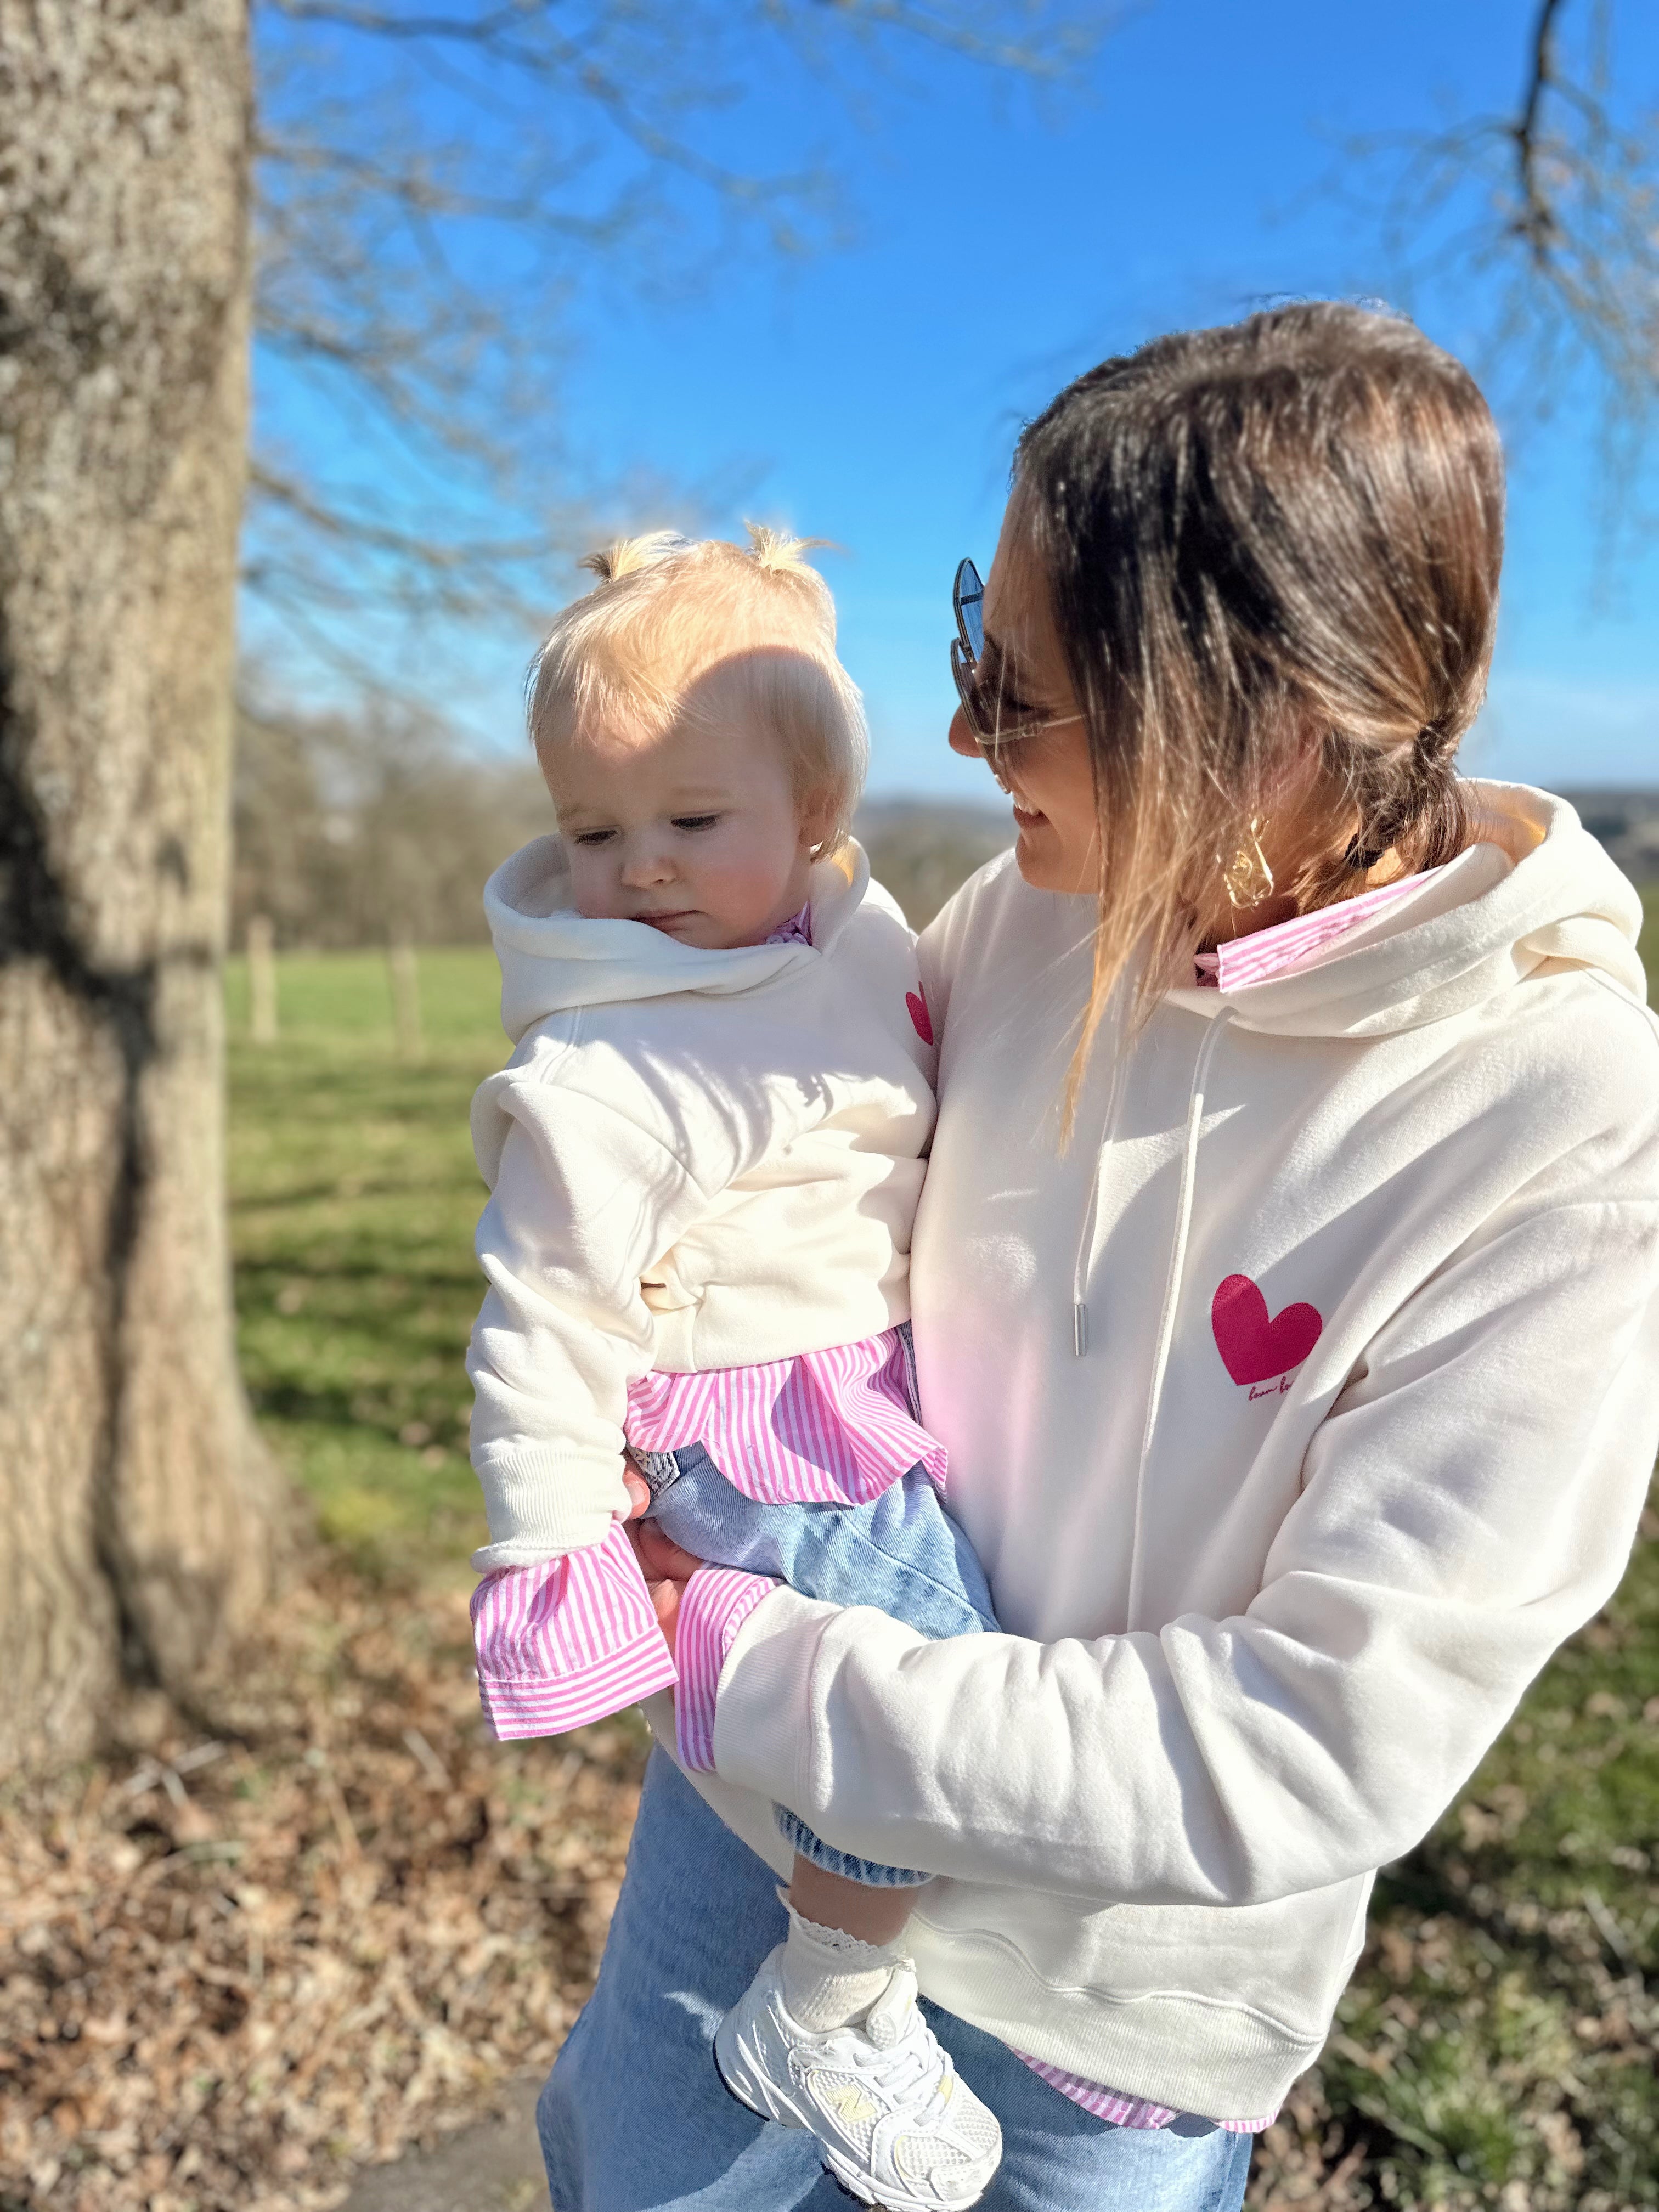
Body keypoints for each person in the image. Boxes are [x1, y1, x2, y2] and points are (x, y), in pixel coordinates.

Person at [543, 302, 1659, 2212]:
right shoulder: (1024, 910)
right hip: (762, 1837)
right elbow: (795, 1196)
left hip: (1109, 1996)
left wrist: (742, 1656)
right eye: (974, 641)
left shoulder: (1558, 1124)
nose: (961, 729)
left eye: (1024, 690)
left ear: (1274, 718)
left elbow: (1313, 1740)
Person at [466, 524, 1009, 2211]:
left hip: (844, 1403)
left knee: (933, 1705)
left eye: (692, 823)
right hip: (743, 1427)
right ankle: (826, 2005)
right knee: (949, 1694)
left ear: (817, 816)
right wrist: (550, 1548)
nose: (639, 869)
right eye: (594, 831)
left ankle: (839, 1963)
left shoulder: (844, 937)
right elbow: (543, 1317)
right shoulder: (615, 1069)